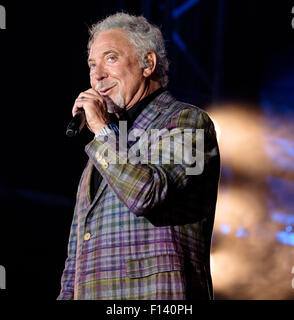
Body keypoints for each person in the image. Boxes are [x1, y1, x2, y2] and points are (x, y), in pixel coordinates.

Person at [58, 12, 220, 300]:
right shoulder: (107, 143)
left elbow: (147, 194)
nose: (97, 75)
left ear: (148, 64)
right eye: (92, 65)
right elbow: (77, 250)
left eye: (110, 58)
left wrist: (101, 129)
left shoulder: (187, 122)